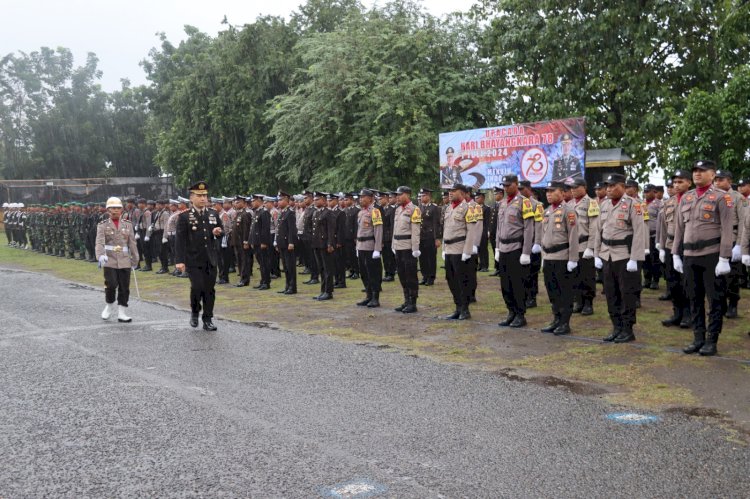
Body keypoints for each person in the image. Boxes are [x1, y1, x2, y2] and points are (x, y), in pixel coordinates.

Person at [672, 161, 734, 356]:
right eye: (695, 171)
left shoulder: (722, 197)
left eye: (702, 171)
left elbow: (727, 229)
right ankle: (698, 338)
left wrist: (724, 257)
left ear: (712, 174)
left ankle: (711, 340)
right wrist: (675, 253)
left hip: (712, 255)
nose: (697, 174)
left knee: (714, 299)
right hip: (690, 255)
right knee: (694, 298)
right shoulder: (687, 197)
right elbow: (679, 228)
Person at [594, 173, 647, 343]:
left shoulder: (633, 205)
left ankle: (627, 329)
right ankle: (616, 327)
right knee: (610, 293)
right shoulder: (604, 205)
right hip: (607, 254)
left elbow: (640, 232)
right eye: (607, 186)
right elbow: (598, 231)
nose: (609, 189)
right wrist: (596, 254)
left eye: (613, 186)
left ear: (623, 187)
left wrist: (635, 258)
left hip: (624, 255)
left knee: (626, 293)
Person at [175, 181, 224, 331]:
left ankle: (208, 318)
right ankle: (195, 312)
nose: (203, 198)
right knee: (197, 287)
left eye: (205, 195)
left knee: (209, 289)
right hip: (193, 259)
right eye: (199, 195)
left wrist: (217, 233)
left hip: (210, 258)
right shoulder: (184, 217)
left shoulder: (213, 213)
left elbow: (221, 232)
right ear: (191, 198)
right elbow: (180, 241)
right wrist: (179, 261)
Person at [495, 174, 535, 328]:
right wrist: (497, 248)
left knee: (517, 283)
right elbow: (499, 228)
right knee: (505, 283)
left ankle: (520, 314)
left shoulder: (524, 202)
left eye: (508, 185)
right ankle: (510, 311)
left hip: (516, 248)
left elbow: (528, 228)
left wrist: (526, 252)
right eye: (504, 186)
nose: (505, 188)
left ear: (516, 184)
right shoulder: (503, 203)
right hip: (503, 248)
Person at [540, 182, 579, 335]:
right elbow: (544, 235)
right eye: (547, 191)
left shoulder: (568, 211)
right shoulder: (547, 211)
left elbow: (573, 235)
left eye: (552, 191)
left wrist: (573, 259)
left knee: (564, 291)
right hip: (549, 256)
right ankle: (556, 318)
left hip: (562, 257)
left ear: (562, 193)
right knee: (552, 290)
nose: (548, 194)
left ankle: (564, 322)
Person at [95, 197, 139, 323]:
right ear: (108, 210)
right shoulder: (102, 225)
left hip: (125, 260)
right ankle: (109, 305)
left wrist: (135, 260)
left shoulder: (128, 224)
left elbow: (132, 243)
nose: (115, 210)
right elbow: (99, 242)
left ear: (121, 210)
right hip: (109, 259)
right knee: (111, 284)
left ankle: (122, 312)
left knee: (124, 287)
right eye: (113, 208)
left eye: (118, 208)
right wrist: (100, 256)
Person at [657, 169, 691, 329]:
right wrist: (662, 247)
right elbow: (663, 226)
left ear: (689, 183)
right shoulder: (668, 202)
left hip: (687, 247)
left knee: (688, 283)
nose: (676, 185)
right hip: (671, 246)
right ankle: (677, 312)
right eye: (674, 182)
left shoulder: (693, 199)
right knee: (672, 282)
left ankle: (688, 314)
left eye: (680, 182)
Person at [443, 183, 480, 320]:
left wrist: (467, 250)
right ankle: (457, 307)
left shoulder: (468, 208)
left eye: (454, 191)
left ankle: (465, 308)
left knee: (462, 279)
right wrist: (443, 248)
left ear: (463, 193)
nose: (450, 193)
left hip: (460, 248)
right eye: (449, 191)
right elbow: (445, 229)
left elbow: (471, 230)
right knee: (450, 278)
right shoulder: (448, 208)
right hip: (449, 249)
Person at [713, 170, 745, 319]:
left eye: (721, 180)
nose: (717, 182)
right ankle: (720, 305)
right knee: (717, 275)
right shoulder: (712, 197)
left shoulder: (738, 198)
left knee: (732, 276)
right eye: (715, 180)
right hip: (716, 239)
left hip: (732, 239)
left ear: (729, 181)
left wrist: (739, 245)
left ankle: (733, 304)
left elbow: (744, 223)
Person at [568, 177, 599, 315]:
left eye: (576, 187)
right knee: (574, 275)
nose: (573, 190)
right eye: (571, 188)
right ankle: (578, 301)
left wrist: (591, 247)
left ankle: (588, 303)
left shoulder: (591, 203)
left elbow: (594, 226)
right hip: (572, 245)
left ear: (584, 187)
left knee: (587, 275)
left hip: (585, 243)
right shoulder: (569, 204)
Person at [391, 186, 422, 313]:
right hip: (398, 246)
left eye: (400, 195)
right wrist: (393, 244)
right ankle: (406, 300)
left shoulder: (415, 209)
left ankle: (413, 302)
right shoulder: (398, 210)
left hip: (408, 247)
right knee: (402, 274)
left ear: (407, 195)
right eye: (397, 195)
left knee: (410, 275)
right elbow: (395, 229)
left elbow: (416, 230)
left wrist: (415, 248)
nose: (397, 197)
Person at [356, 188, 384, 307]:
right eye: (360, 197)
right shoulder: (361, 212)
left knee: (373, 273)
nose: (361, 199)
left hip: (370, 246)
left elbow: (378, 231)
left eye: (363, 197)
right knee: (363, 272)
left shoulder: (375, 211)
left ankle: (375, 297)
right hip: (361, 246)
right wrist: (357, 247)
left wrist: (377, 249)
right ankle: (368, 295)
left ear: (371, 198)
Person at [519, 180, 544, 308]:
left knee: (532, 272)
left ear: (529, 189)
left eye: (522, 189)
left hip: (532, 244)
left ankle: (532, 297)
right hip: (520, 244)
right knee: (522, 273)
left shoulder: (537, 205)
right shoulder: (517, 203)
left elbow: (538, 224)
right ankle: (523, 295)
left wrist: (537, 242)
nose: (520, 191)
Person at [310, 192, 336, 300]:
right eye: (314, 199)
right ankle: (322, 290)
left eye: (318, 199)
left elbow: (331, 230)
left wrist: (330, 243)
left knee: (327, 269)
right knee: (321, 268)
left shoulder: (328, 213)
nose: (315, 201)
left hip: (325, 244)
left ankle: (328, 291)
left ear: (324, 201)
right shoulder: (316, 213)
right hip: (317, 244)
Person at [275, 191, 297, 294]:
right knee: (285, 267)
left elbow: (292, 230)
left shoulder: (290, 213)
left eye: (281, 200)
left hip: (288, 244)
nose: (279, 202)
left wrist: (291, 243)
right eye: (278, 200)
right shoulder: (282, 212)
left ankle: (292, 287)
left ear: (287, 201)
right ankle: (287, 285)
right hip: (282, 244)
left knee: (290, 266)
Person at [418, 188, 441, 286]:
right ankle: (424, 276)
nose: (422, 197)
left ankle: (431, 277)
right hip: (421, 236)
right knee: (422, 258)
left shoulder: (434, 208)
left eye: (424, 195)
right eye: (421, 196)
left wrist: (437, 238)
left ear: (429, 196)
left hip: (430, 236)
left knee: (430, 258)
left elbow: (437, 224)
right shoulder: (419, 207)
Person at [249, 194, 272, 290]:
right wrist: (251, 241)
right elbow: (253, 229)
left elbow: (265, 229)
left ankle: (266, 282)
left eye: (253, 201)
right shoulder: (257, 212)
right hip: (256, 242)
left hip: (261, 243)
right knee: (261, 263)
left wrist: (264, 242)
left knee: (264, 263)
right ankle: (263, 280)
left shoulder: (264, 212)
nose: (252, 203)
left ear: (259, 200)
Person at [643, 184, 662, 290]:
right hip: (644, 235)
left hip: (654, 235)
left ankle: (655, 280)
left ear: (653, 192)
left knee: (654, 259)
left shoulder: (659, 204)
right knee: (645, 259)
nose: (646, 194)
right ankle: (647, 279)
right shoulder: (641, 204)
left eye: (648, 192)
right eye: (644, 192)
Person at [488, 186, 504, 276]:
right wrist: (489, 230)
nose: (495, 196)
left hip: (500, 231)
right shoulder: (494, 204)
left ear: (501, 194)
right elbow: (491, 219)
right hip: (493, 232)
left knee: (501, 250)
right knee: (495, 250)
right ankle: (497, 268)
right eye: (494, 194)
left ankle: (501, 268)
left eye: (496, 194)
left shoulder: (504, 204)